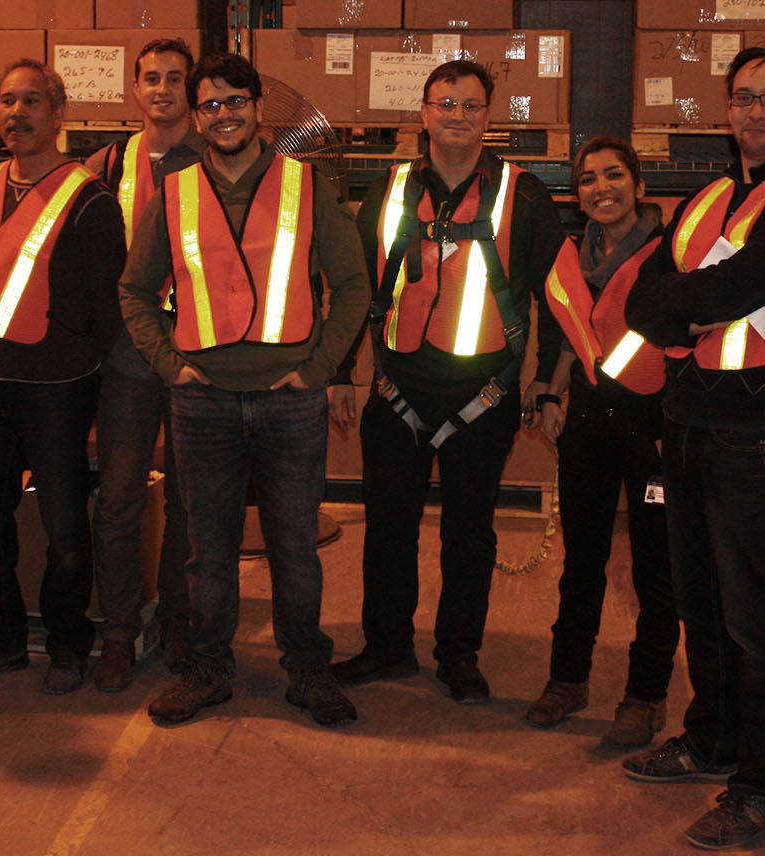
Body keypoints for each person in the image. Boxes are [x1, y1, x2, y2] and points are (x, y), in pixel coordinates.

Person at [623, 47, 765, 850]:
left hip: (754, 431)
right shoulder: (707, 197)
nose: (756, 111)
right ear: (726, 111)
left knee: (757, 619)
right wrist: (682, 310)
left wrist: (682, 306)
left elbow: (752, 282)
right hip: (684, 420)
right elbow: (644, 295)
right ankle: (711, 738)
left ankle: (761, 786)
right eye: (744, 98)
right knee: (703, 606)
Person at [118, 53, 369, 727]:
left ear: (260, 108)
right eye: (210, 105)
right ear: (196, 116)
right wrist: (174, 367)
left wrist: (315, 371)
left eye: (235, 102)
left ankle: (308, 669)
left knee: (294, 546)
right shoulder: (175, 191)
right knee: (208, 548)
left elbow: (354, 287)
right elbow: (135, 291)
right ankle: (208, 669)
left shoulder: (305, 185)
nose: (222, 115)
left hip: (290, 400)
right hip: (202, 401)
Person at [329, 60, 566, 705]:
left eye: (469, 105)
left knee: (469, 532)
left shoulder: (525, 194)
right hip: (395, 390)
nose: (456, 115)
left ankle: (458, 655)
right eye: (443, 103)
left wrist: (546, 382)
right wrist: (340, 370)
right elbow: (358, 284)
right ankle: (386, 646)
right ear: (424, 114)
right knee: (387, 527)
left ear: (489, 117)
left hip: (481, 397)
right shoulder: (391, 188)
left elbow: (565, 295)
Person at [0, 59, 127, 696]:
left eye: (30, 102)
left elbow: (109, 310)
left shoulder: (90, 200)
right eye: (5, 100)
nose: (15, 114)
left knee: (65, 528)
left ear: (58, 115)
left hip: (58, 390)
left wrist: (80, 374)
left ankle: (70, 647)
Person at [525, 136, 677, 745]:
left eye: (614, 176)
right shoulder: (573, 255)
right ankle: (568, 680)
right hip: (589, 419)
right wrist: (554, 395)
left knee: (654, 566)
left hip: (654, 425)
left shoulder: (671, 256)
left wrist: (678, 431)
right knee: (581, 558)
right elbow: (571, 335)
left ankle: (645, 695)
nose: (601, 188)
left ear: (638, 186)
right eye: (588, 179)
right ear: (577, 193)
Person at [81, 38, 201, 690]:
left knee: (190, 502)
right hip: (128, 356)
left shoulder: (217, 159)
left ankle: (181, 627)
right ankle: (120, 633)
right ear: (134, 88)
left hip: (197, 356)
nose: (161, 89)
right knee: (119, 499)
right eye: (150, 78)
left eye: (174, 79)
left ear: (191, 88)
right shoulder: (107, 164)